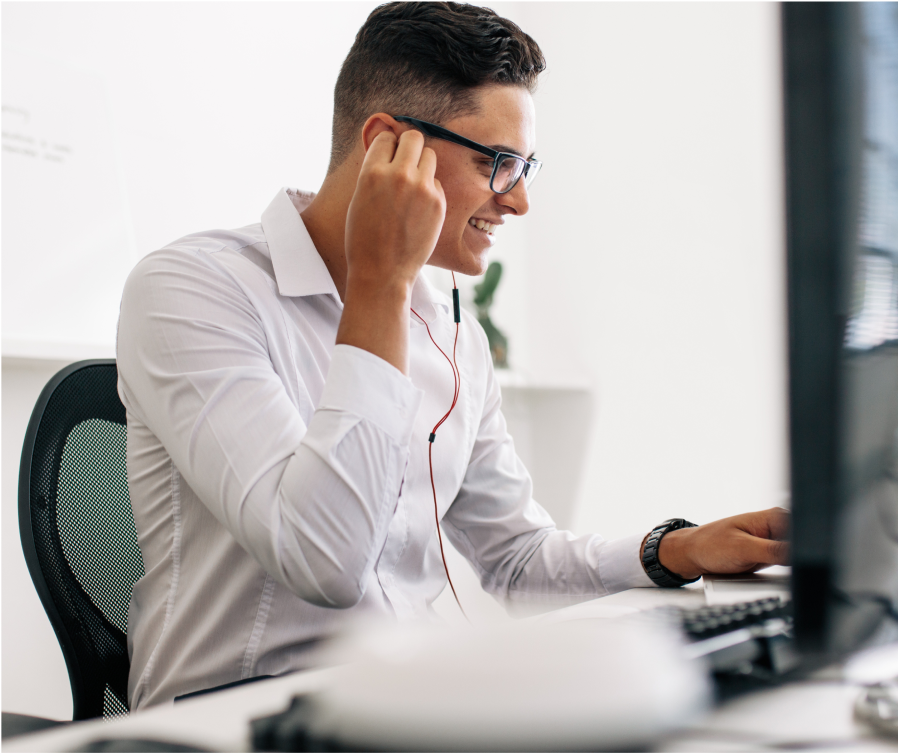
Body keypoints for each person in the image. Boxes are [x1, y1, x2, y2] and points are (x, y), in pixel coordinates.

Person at [116, 1, 788, 709]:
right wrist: (380, 283)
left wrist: (674, 550)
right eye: (498, 163)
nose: (520, 200)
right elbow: (324, 560)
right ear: (386, 148)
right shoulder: (192, 289)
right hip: (238, 714)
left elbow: (515, 558)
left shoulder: (450, 330)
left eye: (525, 165)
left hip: (407, 700)